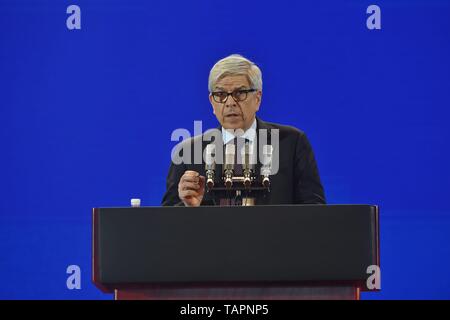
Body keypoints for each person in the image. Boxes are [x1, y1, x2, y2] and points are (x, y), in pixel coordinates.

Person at [161, 54, 325, 206]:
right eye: (220, 94)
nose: (230, 102)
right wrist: (187, 207)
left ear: (258, 98)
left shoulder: (292, 143)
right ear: (212, 102)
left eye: (240, 93)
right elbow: (166, 225)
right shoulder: (188, 153)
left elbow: (315, 213)